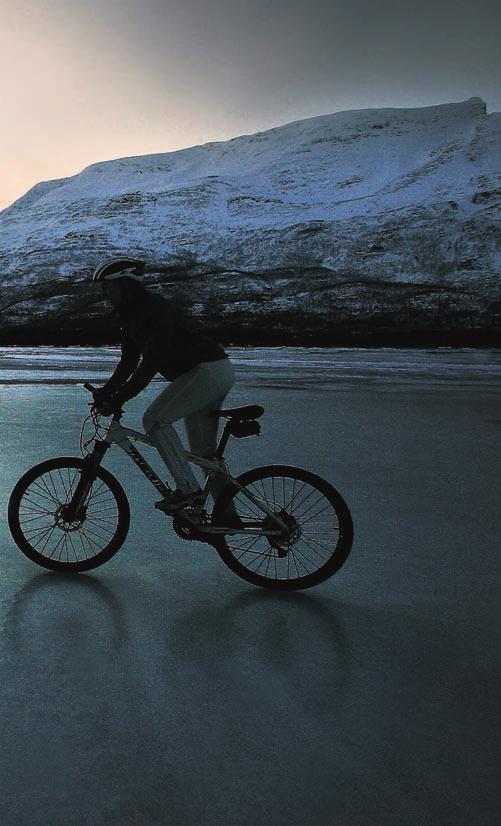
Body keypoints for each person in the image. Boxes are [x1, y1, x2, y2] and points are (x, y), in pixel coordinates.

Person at [92, 256, 235, 513]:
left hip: (207, 370)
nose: (105, 292)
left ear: (125, 285)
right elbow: (129, 361)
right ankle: (228, 517)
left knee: (155, 419)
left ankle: (188, 491)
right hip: (205, 372)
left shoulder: (154, 311)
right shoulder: (130, 315)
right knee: (204, 454)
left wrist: (119, 398)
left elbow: (149, 364)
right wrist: (108, 390)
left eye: (108, 286)